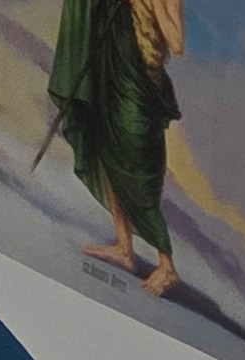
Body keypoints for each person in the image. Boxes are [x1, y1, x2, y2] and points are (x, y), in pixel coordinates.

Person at [50, 0, 187, 298]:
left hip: (141, 88)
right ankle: (125, 248)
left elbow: (176, 44)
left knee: (138, 171)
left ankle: (167, 265)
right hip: (114, 77)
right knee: (108, 154)